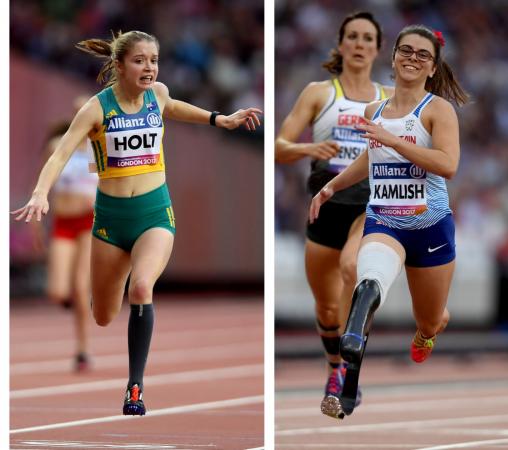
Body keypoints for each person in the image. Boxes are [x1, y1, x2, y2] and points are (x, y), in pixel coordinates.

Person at [12, 30, 262, 416]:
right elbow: (60, 153)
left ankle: (135, 387)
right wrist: (41, 193)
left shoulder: (157, 94)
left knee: (142, 286)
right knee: (103, 315)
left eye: (154, 60)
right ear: (119, 66)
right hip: (111, 220)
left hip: (154, 212)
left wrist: (219, 119)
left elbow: (174, 107)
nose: (149, 68)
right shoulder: (97, 108)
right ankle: (103, 289)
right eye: (140, 60)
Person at [309, 24, 468, 418]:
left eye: (422, 55)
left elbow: (448, 165)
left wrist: (397, 141)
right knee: (368, 281)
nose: (413, 59)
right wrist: (332, 187)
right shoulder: (373, 112)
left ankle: (428, 331)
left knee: (430, 318)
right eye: (406, 51)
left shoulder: (437, 110)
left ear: (432, 67)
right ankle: (350, 361)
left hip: (430, 228)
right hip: (384, 220)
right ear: (394, 57)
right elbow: (371, 157)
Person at [275, 11, 392, 419]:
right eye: (353, 37)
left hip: (370, 204)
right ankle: (335, 368)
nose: (360, 45)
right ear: (341, 45)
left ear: (378, 49)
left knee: (351, 269)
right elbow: (279, 146)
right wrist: (310, 150)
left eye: (367, 38)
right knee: (326, 309)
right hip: (323, 206)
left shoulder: (389, 98)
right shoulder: (319, 93)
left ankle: (350, 365)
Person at [31, 98, 98, 372]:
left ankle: (82, 351)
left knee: (81, 290)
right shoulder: (58, 145)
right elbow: (41, 183)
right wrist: (35, 225)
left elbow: (108, 183)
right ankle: (77, 300)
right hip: (63, 222)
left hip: (88, 222)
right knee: (58, 292)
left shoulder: (99, 148)